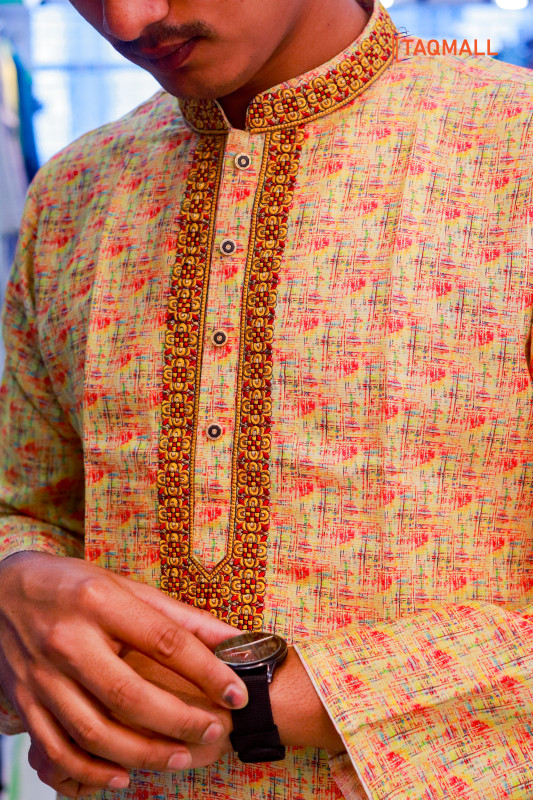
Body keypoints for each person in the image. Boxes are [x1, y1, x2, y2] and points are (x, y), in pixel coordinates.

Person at [0, 0, 532, 798]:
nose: (128, 19)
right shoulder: (74, 192)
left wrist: (261, 705)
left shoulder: (513, 153)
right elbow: (26, 502)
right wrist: (12, 581)